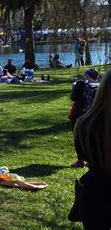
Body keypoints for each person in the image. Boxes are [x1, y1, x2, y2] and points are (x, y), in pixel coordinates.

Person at [73, 69, 111, 228]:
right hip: (96, 194)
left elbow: (83, 155)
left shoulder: (84, 124)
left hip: (94, 194)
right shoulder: (87, 124)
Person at [69, 68, 99, 168]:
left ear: (87, 75)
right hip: (94, 115)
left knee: (78, 137)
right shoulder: (99, 86)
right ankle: (92, 160)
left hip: (80, 115)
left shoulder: (81, 84)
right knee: (91, 138)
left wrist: (74, 88)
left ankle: (80, 160)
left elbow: (73, 97)